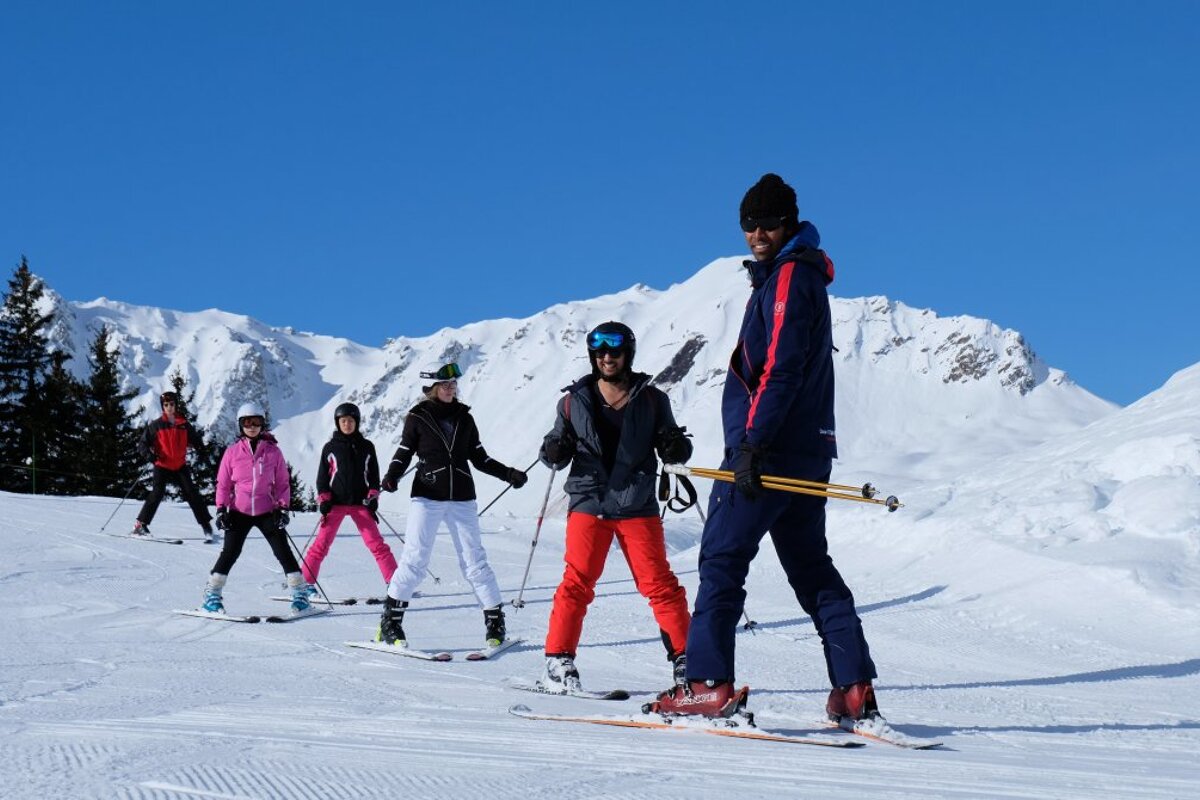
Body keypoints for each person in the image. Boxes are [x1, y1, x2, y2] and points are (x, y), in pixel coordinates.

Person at [651, 173, 879, 722]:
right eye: (749, 225)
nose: (757, 234)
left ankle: (706, 683)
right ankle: (853, 689)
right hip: (807, 451)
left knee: (722, 559)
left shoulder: (788, 278)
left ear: (790, 223)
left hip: (768, 452)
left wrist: (751, 447)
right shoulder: (799, 276)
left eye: (769, 223)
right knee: (811, 567)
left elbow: (779, 367)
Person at [534, 321, 694, 694]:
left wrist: (675, 448)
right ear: (593, 356)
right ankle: (558, 660)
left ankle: (687, 661)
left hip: (636, 502)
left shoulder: (653, 399)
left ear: (628, 354)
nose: (607, 357)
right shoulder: (573, 401)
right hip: (590, 501)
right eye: (600, 350)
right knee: (577, 582)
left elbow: (673, 441)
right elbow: (555, 445)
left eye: (615, 350)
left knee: (659, 585)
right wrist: (554, 451)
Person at [376, 362, 528, 648]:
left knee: (475, 562)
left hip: (461, 497)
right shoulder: (417, 417)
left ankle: (495, 623)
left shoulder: (464, 417)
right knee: (415, 559)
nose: (450, 388)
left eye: (453, 384)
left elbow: (480, 458)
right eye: (444, 385)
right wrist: (392, 476)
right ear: (432, 388)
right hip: (427, 495)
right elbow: (404, 452)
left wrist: (509, 473)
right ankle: (390, 624)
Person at [202, 402, 312, 614]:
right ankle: (212, 596)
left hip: (267, 510)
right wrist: (221, 509)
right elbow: (223, 484)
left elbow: (282, 483)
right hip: (238, 511)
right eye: (247, 422)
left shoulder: (273, 452)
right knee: (230, 552)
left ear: (263, 424)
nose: (252, 426)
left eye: (256, 422)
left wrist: (282, 508)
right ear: (240, 426)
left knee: (283, 551)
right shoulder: (232, 453)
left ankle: (300, 595)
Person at [301, 402, 397, 593]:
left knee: (377, 544)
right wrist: (324, 500)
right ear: (338, 423)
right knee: (321, 545)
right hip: (335, 504)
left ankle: (395, 582)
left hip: (360, 503)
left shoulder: (366, 446)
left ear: (357, 422)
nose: (347, 424)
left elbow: (373, 476)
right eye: (343, 421)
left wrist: (373, 498)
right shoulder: (330, 448)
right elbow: (322, 478)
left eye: (351, 421)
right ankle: (305, 585)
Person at [132, 390, 214, 541]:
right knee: (157, 493)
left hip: (179, 465)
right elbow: (142, 444)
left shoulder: (184, 425)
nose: (169, 407)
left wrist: (201, 450)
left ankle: (206, 526)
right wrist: (150, 456)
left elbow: (196, 440)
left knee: (192, 493)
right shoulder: (156, 426)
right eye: (166, 404)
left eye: (172, 404)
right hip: (162, 465)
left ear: (176, 405)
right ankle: (140, 525)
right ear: (162, 407)